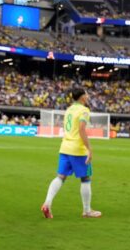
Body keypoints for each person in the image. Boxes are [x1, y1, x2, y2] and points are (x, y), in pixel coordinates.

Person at [41, 88, 102, 219]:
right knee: (86, 178)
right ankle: (87, 211)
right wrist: (89, 149)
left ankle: (47, 203)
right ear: (82, 97)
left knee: (60, 177)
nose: (88, 95)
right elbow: (81, 130)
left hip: (65, 147)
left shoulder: (69, 109)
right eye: (86, 93)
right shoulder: (84, 110)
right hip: (77, 149)